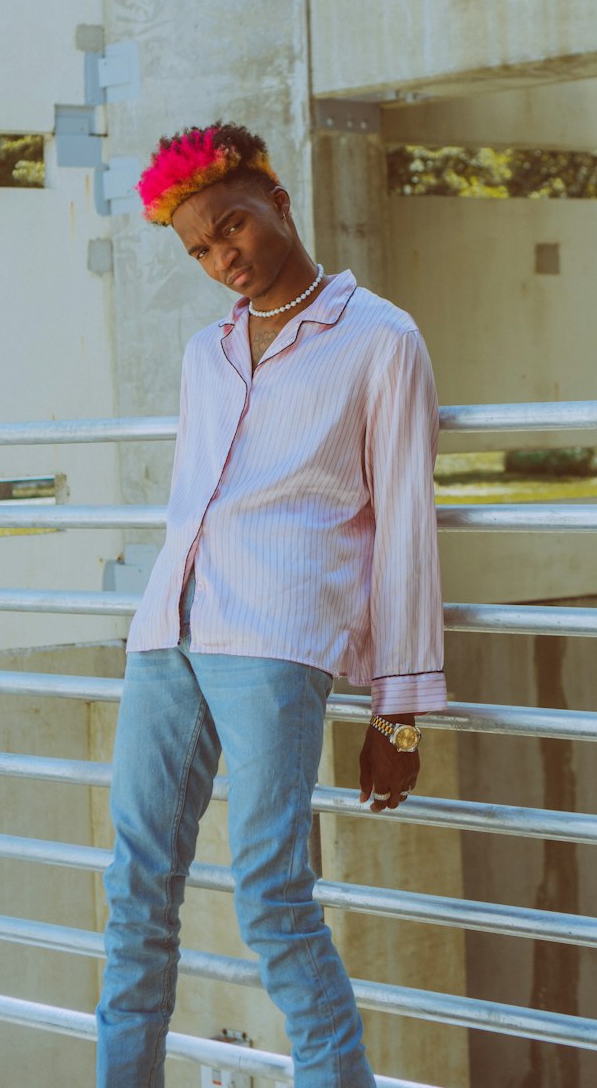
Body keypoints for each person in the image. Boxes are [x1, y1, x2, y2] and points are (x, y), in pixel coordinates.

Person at [96, 121, 447, 1087]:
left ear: (280, 204)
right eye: (200, 251)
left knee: (271, 895)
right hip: (168, 631)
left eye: (233, 230)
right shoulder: (205, 356)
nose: (223, 260)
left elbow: (408, 530)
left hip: (275, 640)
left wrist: (401, 714)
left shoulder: (379, 339)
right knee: (136, 889)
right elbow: (190, 507)